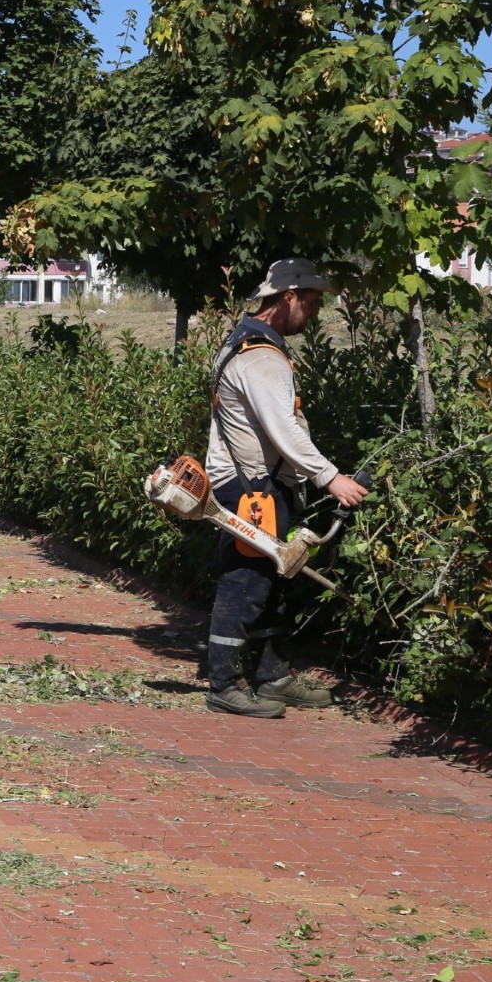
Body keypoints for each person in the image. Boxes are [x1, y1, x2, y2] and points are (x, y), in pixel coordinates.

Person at [202, 258, 369, 717]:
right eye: (312, 302)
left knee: (274, 580)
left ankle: (271, 677)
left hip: (258, 483)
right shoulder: (260, 356)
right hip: (250, 487)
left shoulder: (247, 342)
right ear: (288, 297)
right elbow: (284, 431)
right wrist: (331, 478)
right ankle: (224, 683)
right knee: (246, 580)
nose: (316, 312)